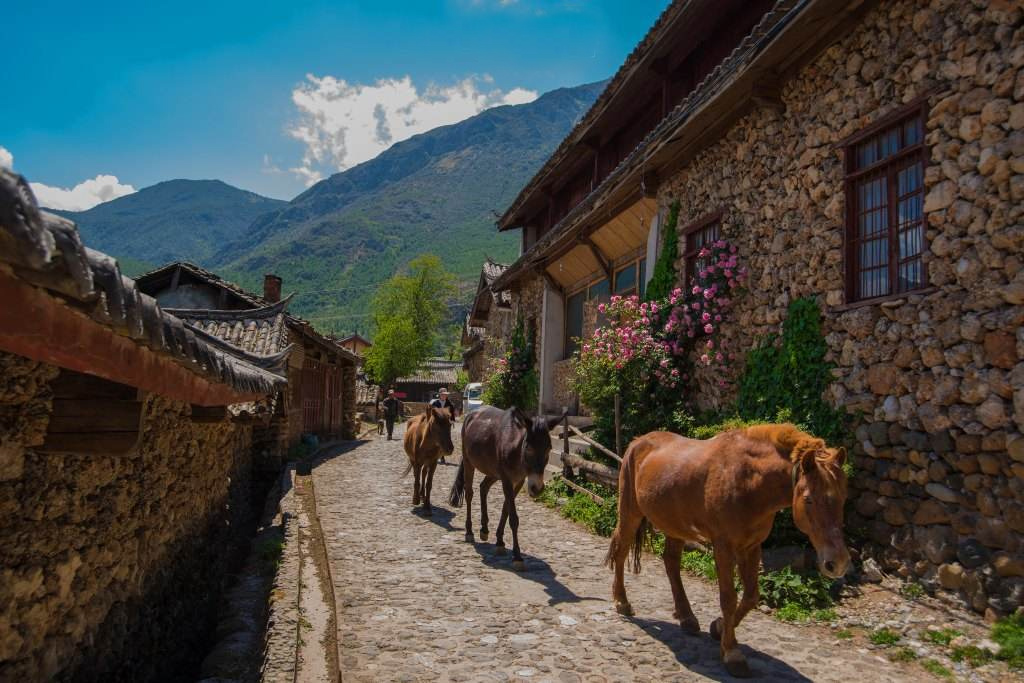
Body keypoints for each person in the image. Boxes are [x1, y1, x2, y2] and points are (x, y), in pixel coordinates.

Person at [429, 387, 457, 463]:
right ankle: (436, 454)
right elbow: (432, 415)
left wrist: (452, 421)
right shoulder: (435, 404)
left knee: (446, 439)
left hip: (446, 425)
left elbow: (452, 414)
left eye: (445, 395)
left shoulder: (450, 404)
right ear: (440, 395)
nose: (444, 396)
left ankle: (442, 456)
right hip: (438, 425)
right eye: (443, 394)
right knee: (437, 439)